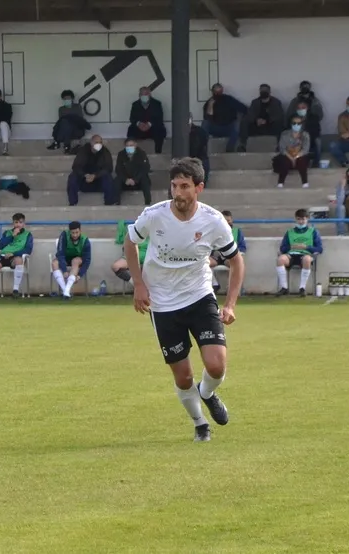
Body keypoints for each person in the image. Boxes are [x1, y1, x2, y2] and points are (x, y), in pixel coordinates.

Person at [124, 157, 245, 442]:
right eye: (174, 186)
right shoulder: (154, 215)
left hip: (199, 296)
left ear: (199, 187)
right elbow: (130, 242)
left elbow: (236, 261)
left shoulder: (213, 221)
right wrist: (138, 284)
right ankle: (200, 424)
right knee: (183, 376)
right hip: (163, 303)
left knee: (216, 365)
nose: (177, 192)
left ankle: (207, 393)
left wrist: (230, 304)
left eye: (184, 186)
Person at [276, 209, 324, 296]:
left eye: (303, 219)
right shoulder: (289, 232)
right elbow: (282, 248)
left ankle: (302, 288)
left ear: (307, 219)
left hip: (305, 255)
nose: (301, 222)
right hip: (291, 255)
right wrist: (291, 247)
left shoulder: (313, 231)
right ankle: (284, 288)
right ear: (295, 219)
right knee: (280, 259)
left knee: (307, 259)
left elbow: (320, 249)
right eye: (299, 219)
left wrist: (306, 247)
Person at [52, 221, 91, 299]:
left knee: (75, 261)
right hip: (64, 258)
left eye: (77, 232)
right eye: (73, 233)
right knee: (54, 263)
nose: (75, 235)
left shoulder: (85, 240)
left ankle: (67, 290)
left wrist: (79, 275)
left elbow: (87, 260)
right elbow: (60, 253)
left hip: (77, 259)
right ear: (69, 232)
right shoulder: (64, 235)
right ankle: (65, 291)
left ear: (80, 231)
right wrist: (64, 270)